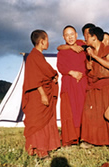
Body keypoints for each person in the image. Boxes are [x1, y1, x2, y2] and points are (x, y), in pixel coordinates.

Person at [80, 26, 109, 148]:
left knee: (108, 111)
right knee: (92, 113)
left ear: (94, 37)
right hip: (93, 85)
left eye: (87, 36)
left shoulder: (108, 49)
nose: (85, 38)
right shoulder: (88, 51)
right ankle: (90, 140)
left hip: (106, 85)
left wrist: (95, 56)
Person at [22, 30, 60, 159]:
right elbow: (34, 78)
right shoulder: (33, 57)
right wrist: (43, 94)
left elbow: (45, 73)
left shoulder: (38, 56)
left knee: (45, 120)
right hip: (38, 95)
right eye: (47, 39)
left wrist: (53, 77)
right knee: (39, 122)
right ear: (42, 41)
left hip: (42, 92)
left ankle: (46, 146)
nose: (48, 42)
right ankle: (41, 151)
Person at [57, 25, 87, 146]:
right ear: (64, 37)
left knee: (82, 109)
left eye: (72, 34)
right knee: (69, 110)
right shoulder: (62, 51)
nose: (70, 37)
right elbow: (60, 67)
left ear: (76, 35)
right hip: (69, 83)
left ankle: (84, 136)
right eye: (67, 35)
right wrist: (71, 72)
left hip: (82, 83)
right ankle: (70, 137)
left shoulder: (82, 46)